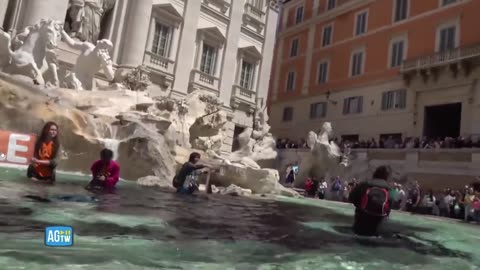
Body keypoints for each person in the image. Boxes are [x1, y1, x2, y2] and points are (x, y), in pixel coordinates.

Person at [348, 166, 392, 237]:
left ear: (374, 173)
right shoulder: (389, 190)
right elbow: (388, 210)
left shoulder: (364, 185)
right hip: (377, 229)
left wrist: (360, 206)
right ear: (387, 177)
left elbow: (351, 198)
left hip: (360, 225)